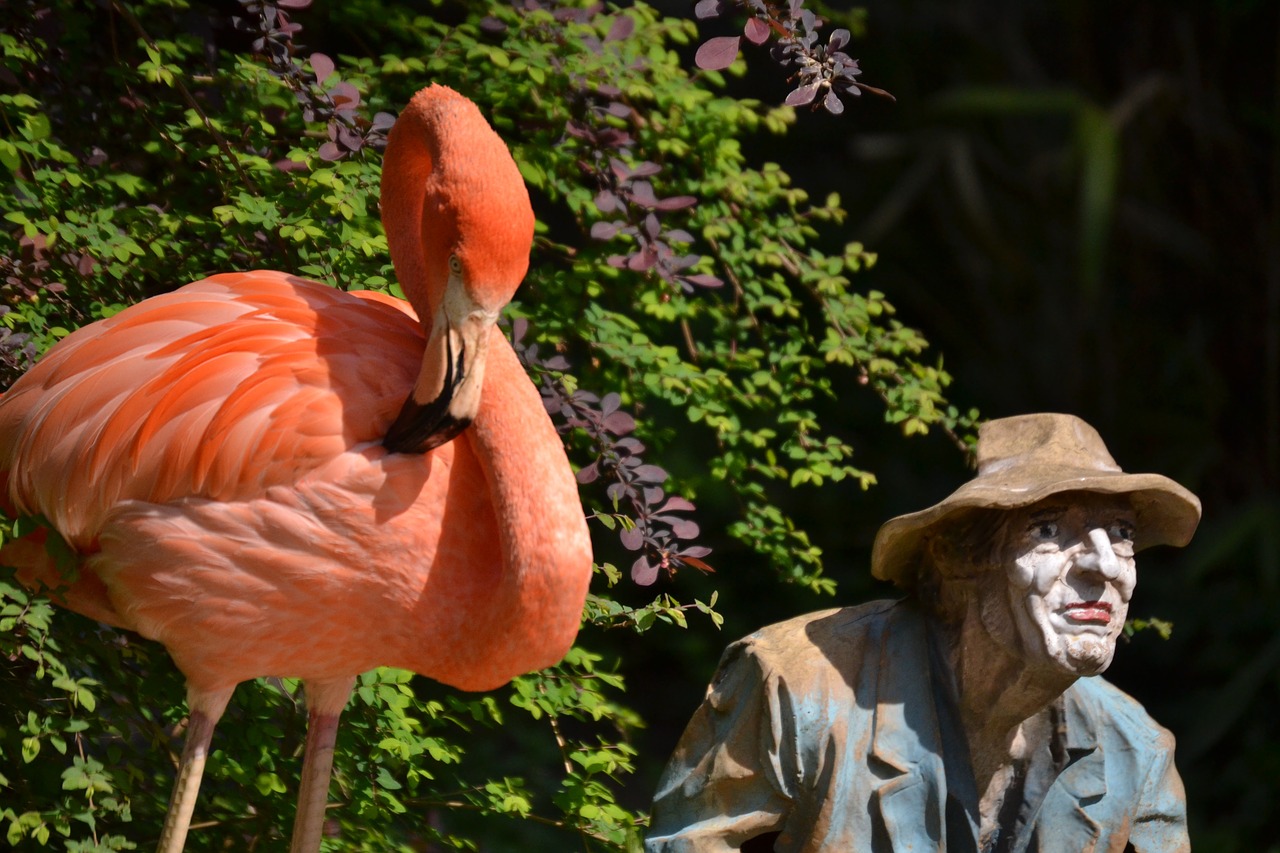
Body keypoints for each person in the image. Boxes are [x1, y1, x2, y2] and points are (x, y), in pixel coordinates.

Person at [647, 413, 1198, 853]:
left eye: (1122, 535)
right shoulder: (797, 688)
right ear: (961, 560)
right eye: (1050, 531)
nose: (1105, 566)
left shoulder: (1137, 751)